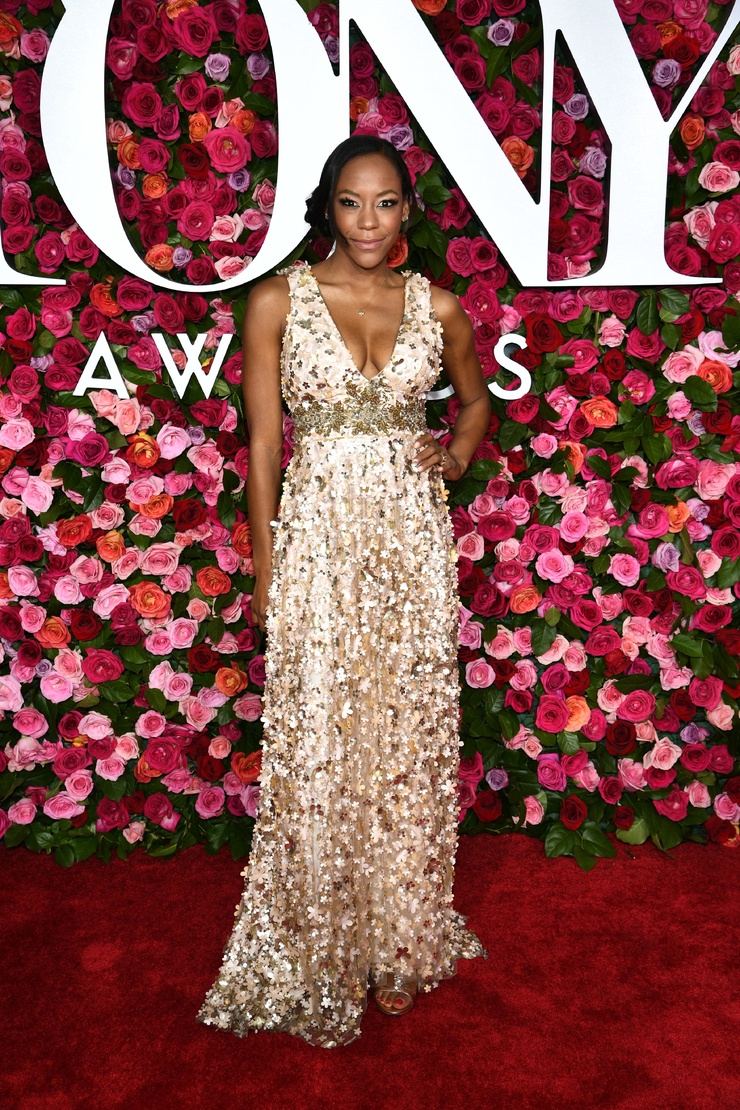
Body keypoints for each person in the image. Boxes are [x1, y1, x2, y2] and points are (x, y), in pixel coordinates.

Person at [197, 134, 491, 1047]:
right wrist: (268, 570)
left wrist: (455, 456)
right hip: (318, 543)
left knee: (403, 733)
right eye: (353, 202)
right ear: (328, 206)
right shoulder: (276, 300)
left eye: (386, 202)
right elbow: (262, 448)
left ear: (408, 211)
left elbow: (476, 403)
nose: (369, 221)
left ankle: (398, 938)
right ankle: (323, 938)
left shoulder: (440, 306)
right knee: (323, 735)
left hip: (409, 544)